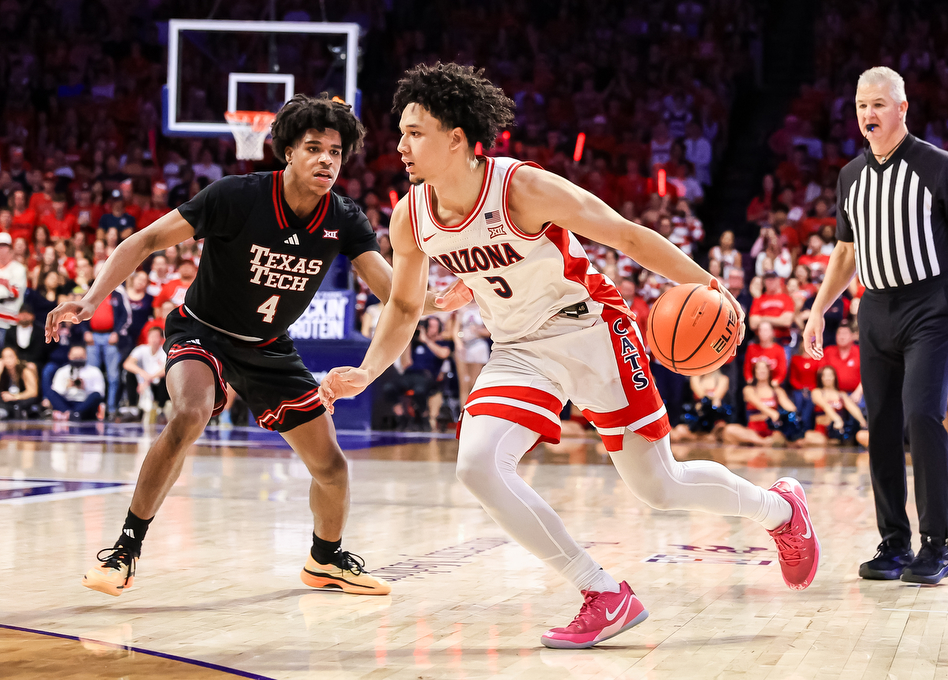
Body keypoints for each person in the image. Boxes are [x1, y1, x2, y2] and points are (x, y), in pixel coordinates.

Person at [319, 63, 820, 649]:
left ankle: (781, 511)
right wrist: (367, 371)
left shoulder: (522, 189)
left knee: (658, 486)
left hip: (593, 333)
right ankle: (602, 592)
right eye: (401, 132)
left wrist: (712, 285)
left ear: (456, 137)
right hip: (518, 350)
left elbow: (627, 235)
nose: (399, 146)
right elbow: (405, 306)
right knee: (477, 464)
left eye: (415, 132)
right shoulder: (412, 217)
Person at [46, 93, 467, 598]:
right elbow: (143, 242)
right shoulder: (235, 195)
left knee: (332, 467)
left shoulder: (345, 218)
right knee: (191, 412)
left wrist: (438, 302)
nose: (326, 160)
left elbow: (392, 291)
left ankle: (325, 559)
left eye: (335, 151)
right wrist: (91, 299)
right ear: (287, 151)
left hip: (268, 346)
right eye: (314, 148)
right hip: (202, 330)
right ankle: (125, 550)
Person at [803, 66, 948, 584]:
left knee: (922, 416)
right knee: (880, 425)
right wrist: (819, 308)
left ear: (902, 109)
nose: (869, 114)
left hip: (931, 307)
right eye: (863, 105)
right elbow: (845, 252)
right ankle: (894, 542)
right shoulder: (850, 176)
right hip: (875, 310)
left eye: (880, 104)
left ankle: (937, 543)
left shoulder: (936, 166)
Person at [122, 326, 168, 423]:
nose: (153, 339)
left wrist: (150, 378)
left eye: (156, 336)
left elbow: (166, 369)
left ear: (161, 338)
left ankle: (161, 409)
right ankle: (133, 408)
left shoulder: (164, 351)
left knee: (166, 378)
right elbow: (127, 364)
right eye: (151, 336)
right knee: (129, 374)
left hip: (157, 384)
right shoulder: (141, 349)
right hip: (143, 383)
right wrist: (143, 374)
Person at [49, 344, 104, 420]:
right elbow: (55, 391)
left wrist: (85, 387)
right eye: (75, 357)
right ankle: (72, 414)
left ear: (86, 356)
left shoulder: (94, 371)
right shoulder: (62, 371)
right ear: (69, 356)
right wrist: (66, 387)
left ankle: (73, 414)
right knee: (51, 393)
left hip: (85, 403)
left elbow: (100, 393)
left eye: (80, 357)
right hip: (66, 403)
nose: (78, 359)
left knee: (96, 395)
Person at [0, 232, 27, 348]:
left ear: (10, 249)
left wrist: (7, 289)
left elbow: (14, 294)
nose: (1, 249)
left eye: (3, 246)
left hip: (9, 323)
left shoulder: (18, 269)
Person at [0, 345, 40, 419]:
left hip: (22, 400)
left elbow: (33, 392)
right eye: (5, 357)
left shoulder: (25, 370)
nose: (8, 360)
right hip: (7, 402)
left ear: (16, 357)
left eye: (10, 356)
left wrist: (15, 397)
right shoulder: (3, 372)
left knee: (20, 405)